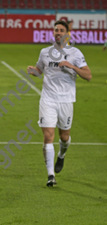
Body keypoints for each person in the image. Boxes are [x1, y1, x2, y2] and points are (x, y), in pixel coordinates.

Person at [27, 20, 91, 187]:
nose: (58, 32)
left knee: (64, 137)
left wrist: (71, 66)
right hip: (47, 100)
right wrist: (33, 72)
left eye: (61, 30)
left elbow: (88, 75)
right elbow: (39, 70)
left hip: (66, 101)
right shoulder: (45, 52)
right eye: (56, 30)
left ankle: (61, 155)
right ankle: (50, 175)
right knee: (48, 136)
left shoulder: (75, 53)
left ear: (67, 34)